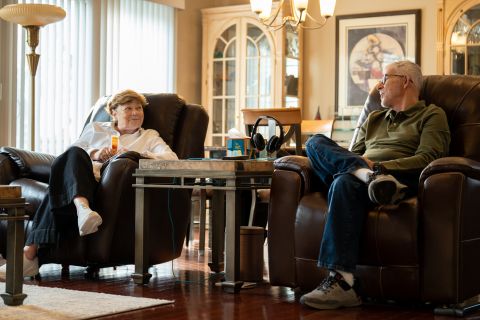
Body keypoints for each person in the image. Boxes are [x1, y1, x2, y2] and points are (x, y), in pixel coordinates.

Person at [299, 60, 451, 310]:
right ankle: (366, 177)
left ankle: (343, 283)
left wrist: (381, 169)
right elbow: (353, 155)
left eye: (385, 78)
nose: (378, 85)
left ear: (406, 81)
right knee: (315, 143)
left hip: (396, 180)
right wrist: (365, 170)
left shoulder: (432, 114)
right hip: (366, 178)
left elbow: (428, 158)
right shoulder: (374, 118)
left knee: (345, 181)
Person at [0, 89, 178, 278]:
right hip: (81, 175)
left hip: (103, 186)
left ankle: (30, 253)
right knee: (74, 153)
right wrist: (96, 153)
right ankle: (82, 208)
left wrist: (133, 154)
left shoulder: (149, 136)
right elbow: (70, 154)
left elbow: (172, 159)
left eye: (139, 108)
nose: (135, 113)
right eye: (128, 108)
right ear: (114, 112)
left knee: (57, 188)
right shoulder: (96, 128)